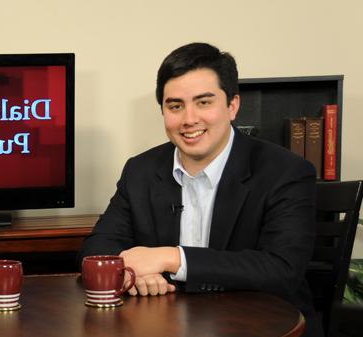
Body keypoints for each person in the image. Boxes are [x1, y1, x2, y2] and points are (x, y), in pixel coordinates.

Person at [78, 43, 322, 336]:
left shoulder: (285, 171)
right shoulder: (140, 171)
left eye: (204, 102)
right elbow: (96, 249)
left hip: (264, 327)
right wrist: (134, 275)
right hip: (168, 327)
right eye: (175, 106)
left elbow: (281, 270)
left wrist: (171, 257)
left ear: (232, 106)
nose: (189, 119)